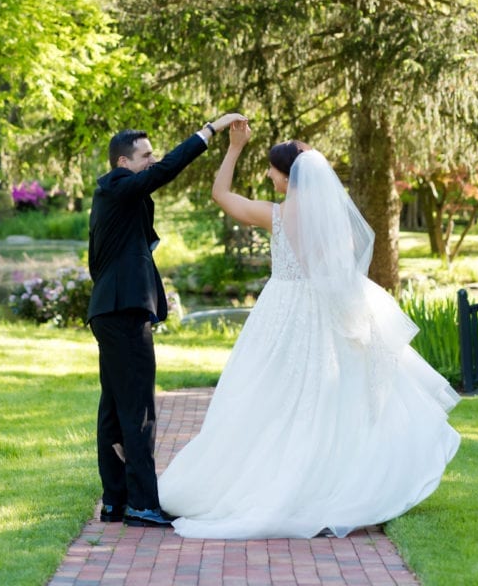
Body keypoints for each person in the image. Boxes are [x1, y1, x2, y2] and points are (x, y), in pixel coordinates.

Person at [158, 122, 461, 539]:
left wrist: (234, 148)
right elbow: (338, 270)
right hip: (324, 311)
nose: (268, 176)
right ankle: (331, 481)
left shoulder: (276, 216)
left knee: (268, 397)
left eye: (272, 171)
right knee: (331, 399)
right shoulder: (333, 219)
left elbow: (221, 196)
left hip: (282, 312)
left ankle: (275, 481)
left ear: (288, 175)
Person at [87, 112, 246, 527]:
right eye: (145, 156)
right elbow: (167, 170)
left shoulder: (115, 195)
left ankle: (115, 501)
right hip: (122, 313)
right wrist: (210, 130)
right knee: (138, 408)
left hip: (110, 310)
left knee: (114, 407)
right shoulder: (120, 184)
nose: (152, 161)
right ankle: (141, 503)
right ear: (124, 162)